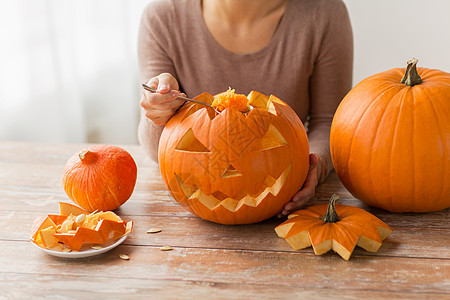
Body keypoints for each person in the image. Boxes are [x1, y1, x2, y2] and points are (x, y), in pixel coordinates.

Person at [138, 0, 353, 217]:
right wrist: (160, 110)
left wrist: (311, 167)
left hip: (284, 191)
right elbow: (162, 149)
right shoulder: (162, 17)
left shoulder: (324, 12)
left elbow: (329, 123)